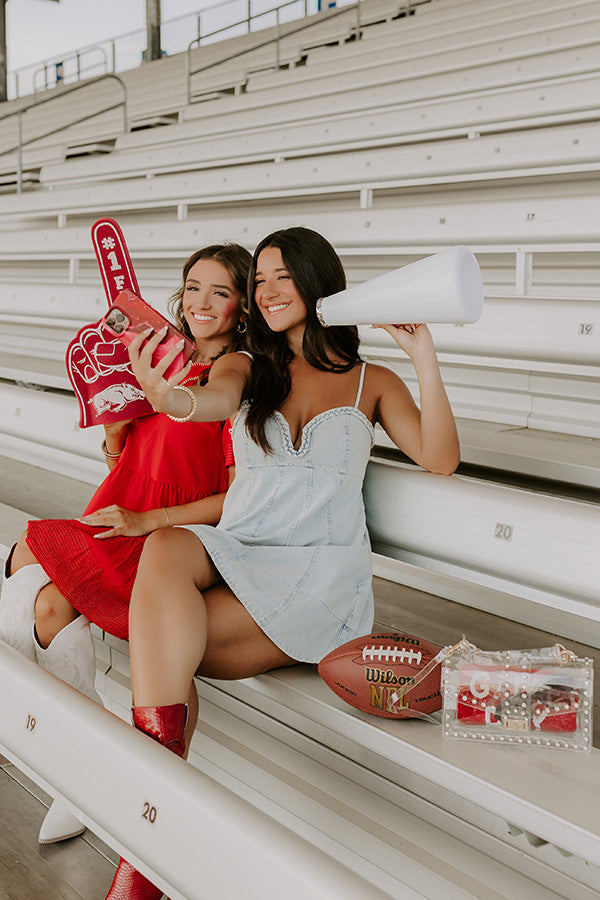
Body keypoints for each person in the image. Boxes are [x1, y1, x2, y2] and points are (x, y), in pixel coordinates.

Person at [104, 226, 460, 899]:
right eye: (259, 280)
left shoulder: (370, 383)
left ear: (316, 280)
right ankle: (152, 806)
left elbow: (439, 458)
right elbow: (200, 400)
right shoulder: (246, 368)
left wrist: (423, 357)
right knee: (166, 549)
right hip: (241, 552)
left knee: (157, 638)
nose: (265, 292)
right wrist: (165, 397)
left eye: (280, 277)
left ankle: (144, 823)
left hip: (318, 582)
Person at [0, 242, 251, 844]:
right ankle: (77, 775)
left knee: (24, 555)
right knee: (48, 604)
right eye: (193, 287)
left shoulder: (236, 369)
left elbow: (237, 497)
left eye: (219, 291)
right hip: (121, 507)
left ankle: (71, 765)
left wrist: (153, 520)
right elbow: (127, 451)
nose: (201, 302)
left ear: (243, 306)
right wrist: (113, 427)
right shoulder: (159, 352)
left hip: (173, 533)